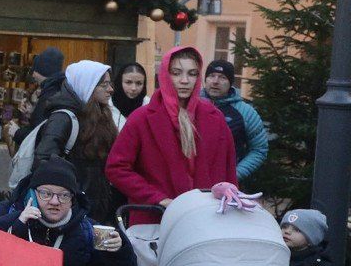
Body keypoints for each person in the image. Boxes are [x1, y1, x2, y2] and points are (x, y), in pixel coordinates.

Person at [105, 46, 238, 216]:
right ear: (165, 76)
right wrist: (158, 199)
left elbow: (229, 172)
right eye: (176, 73)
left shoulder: (214, 117)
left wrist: (230, 206)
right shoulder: (141, 118)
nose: (185, 80)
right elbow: (116, 169)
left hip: (207, 218)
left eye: (192, 73)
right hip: (155, 218)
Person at [62, 61, 124, 224]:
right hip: (74, 203)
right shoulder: (66, 118)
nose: (110, 89)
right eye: (104, 85)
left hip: (99, 201)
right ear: (88, 86)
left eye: (110, 84)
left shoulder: (105, 115)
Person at [202, 60, 269, 185]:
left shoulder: (246, 112)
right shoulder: (190, 106)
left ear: (231, 83)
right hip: (190, 186)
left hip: (226, 188)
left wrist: (234, 175)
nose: (215, 81)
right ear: (205, 80)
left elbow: (259, 149)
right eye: (211, 76)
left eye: (222, 77)